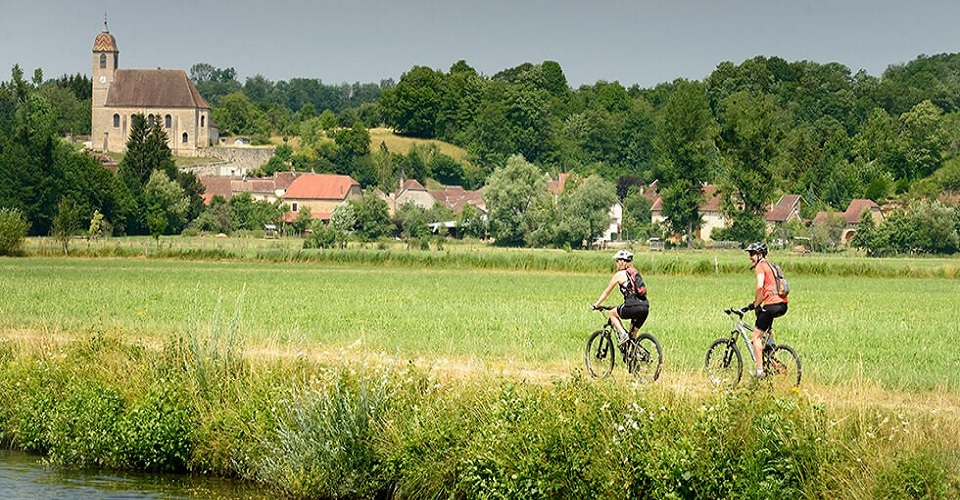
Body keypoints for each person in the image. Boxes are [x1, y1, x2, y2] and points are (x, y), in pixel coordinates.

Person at [744, 241, 788, 378]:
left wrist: (756, 304)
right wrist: (755, 304)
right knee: (765, 329)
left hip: (771, 305)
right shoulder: (771, 266)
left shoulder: (761, 266)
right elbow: (770, 289)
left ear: (760, 254)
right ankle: (770, 353)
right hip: (782, 304)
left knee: (755, 336)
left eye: (752, 254)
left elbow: (760, 287)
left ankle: (759, 371)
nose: (750, 257)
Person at [592, 249, 649, 346]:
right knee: (633, 335)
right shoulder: (635, 273)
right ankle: (635, 356)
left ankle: (623, 334)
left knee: (612, 313)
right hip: (645, 307)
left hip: (632, 306)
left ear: (622, 262)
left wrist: (596, 305)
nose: (616, 264)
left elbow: (606, 292)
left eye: (617, 261)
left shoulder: (619, 275)